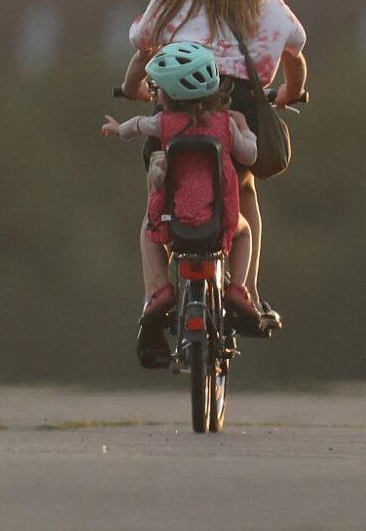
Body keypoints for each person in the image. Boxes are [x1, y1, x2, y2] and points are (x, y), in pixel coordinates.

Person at [120, 0, 308, 320]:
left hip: (175, 105)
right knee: (244, 191)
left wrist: (133, 89)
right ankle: (245, 289)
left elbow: (142, 48)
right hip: (237, 103)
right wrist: (289, 93)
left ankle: (157, 290)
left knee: (159, 192)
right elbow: (295, 53)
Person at [102, 42, 261, 367]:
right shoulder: (225, 124)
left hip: (172, 220)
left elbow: (137, 125)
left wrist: (118, 130)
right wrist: (245, 129)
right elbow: (250, 156)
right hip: (220, 220)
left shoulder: (164, 123)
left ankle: (161, 288)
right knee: (245, 232)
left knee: (149, 235)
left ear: (167, 94)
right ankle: (239, 287)